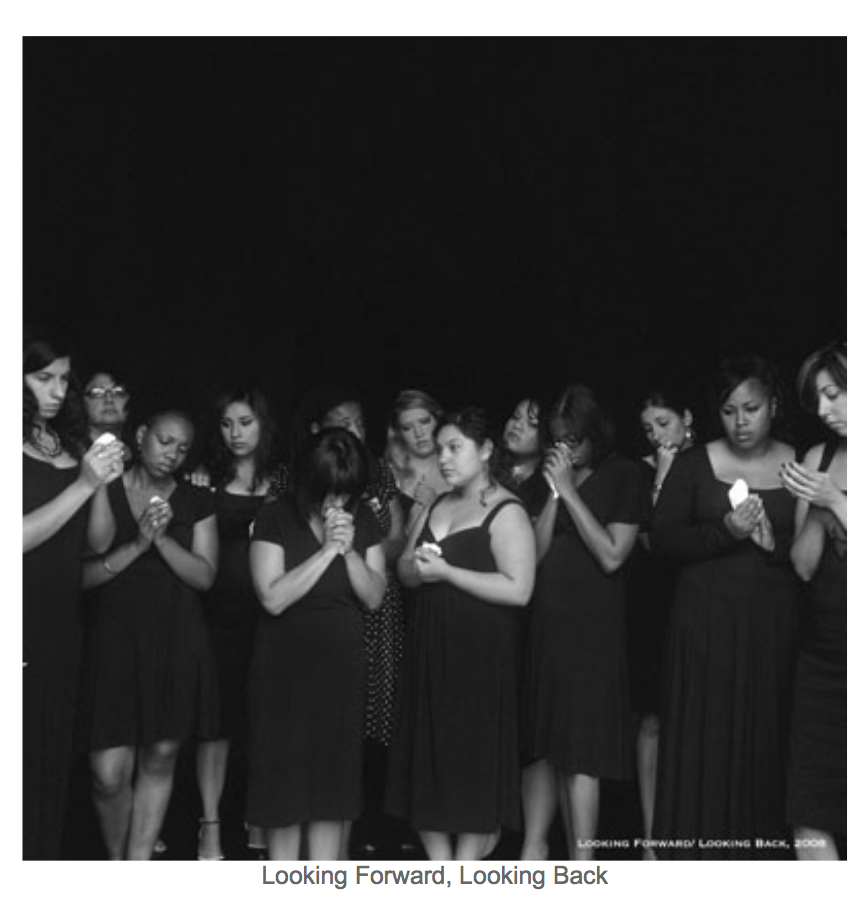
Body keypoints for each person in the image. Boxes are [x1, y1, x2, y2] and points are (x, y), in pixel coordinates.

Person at [650, 355, 801, 858]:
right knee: (704, 745)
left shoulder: (800, 464)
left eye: (752, 409)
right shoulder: (697, 464)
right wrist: (725, 532)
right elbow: (664, 541)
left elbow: (811, 559)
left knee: (763, 743)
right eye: (731, 410)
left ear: (774, 407)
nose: (741, 421)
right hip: (704, 630)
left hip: (771, 631)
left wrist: (768, 543)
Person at [387, 407, 536, 860]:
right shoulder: (437, 503)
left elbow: (519, 590)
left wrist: (448, 572)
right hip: (430, 646)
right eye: (442, 449)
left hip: (480, 655)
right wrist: (419, 566)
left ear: (486, 450)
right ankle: (440, 867)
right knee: (426, 754)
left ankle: (466, 870)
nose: (445, 459)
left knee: (472, 757)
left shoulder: (508, 509)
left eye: (456, 448)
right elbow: (405, 573)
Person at [81, 408, 219, 860]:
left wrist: (160, 540)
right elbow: (81, 576)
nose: (172, 454)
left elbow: (204, 577)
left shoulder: (196, 500)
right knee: (107, 772)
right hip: (115, 640)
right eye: (164, 441)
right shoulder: (106, 489)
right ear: (140, 435)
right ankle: (119, 859)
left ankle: (136, 869)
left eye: (182, 448)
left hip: (176, 640)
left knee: (160, 756)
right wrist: (138, 544)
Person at [246, 427, 387, 860]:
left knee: (332, 794)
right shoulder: (275, 516)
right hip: (283, 676)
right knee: (284, 798)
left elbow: (374, 596)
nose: (337, 503)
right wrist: (326, 551)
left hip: (340, 676)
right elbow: (272, 597)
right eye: (329, 491)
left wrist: (349, 551)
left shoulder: (363, 519)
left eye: (346, 492)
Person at [521, 384, 642, 861]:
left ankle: (583, 863)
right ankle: (540, 852)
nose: (565, 449)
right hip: (549, 626)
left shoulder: (623, 475)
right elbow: (534, 552)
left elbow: (613, 555)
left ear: (596, 434)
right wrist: (553, 493)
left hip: (592, 631)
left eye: (575, 439)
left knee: (582, 749)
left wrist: (570, 492)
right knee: (547, 745)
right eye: (558, 439)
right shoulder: (547, 481)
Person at [23, 330, 124, 859]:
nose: (58, 390)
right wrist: (82, 485)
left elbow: (99, 541)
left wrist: (100, 478)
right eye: (43, 378)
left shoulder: (69, 447)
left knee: (47, 761)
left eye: (64, 378)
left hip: (61, 625)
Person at [194, 387, 280, 861]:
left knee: (266, 719)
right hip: (219, 616)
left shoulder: (282, 480)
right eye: (227, 424)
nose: (236, 434)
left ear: (262, 424)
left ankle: (263, 818)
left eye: (245, 422)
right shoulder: (206, 476)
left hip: (272, 615)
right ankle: (209, 825)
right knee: (217, 723)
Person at [780, 343, 847, 859]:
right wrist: (822, 512)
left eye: (834, 394)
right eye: (818, 400)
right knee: (808, 816)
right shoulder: (818, 459)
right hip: (823, 658)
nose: (824, 410)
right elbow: (802, 566)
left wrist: (837, 501)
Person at [626, 387, 695, 857]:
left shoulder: (713, 464)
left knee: (696, 719)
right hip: (654, 605)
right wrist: (664, 477)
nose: (657, 435)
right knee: (652, 720)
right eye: (649, 429)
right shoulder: (642, 472)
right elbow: (651, 540)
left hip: (702, 602)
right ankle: (652, 838)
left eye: (664, 423)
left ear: (687, 418)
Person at [387, 389, 450, 534]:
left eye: (424, 422)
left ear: (438, 420)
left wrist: (436, 508)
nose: (419, 433)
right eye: (407, 428)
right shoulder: (388, 475)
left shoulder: (460, 469)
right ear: (398, 433)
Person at [497, 396, 548, 508]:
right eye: (516, 417)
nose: (517, 425)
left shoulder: (544, 487)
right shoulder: (487, 464)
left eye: (532, 424)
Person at [82, 365, 134, 464]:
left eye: (118, 392)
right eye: (97, 392)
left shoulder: (142, 455)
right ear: (83, 400)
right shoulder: (66, 453)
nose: (109, 400)